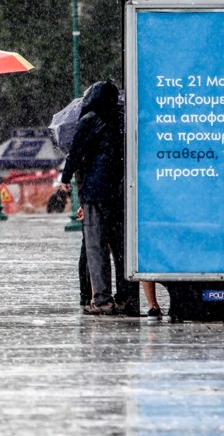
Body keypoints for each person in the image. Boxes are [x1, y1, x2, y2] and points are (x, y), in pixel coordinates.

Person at [58, 81, 141, 317]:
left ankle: (102, 299)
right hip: (121, 191)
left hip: (96, 193)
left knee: (96, 246)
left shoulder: (90, 119)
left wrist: (65, 178)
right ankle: (126, 298)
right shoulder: (122, 120)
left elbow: (76, 152)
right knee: (121, 248)